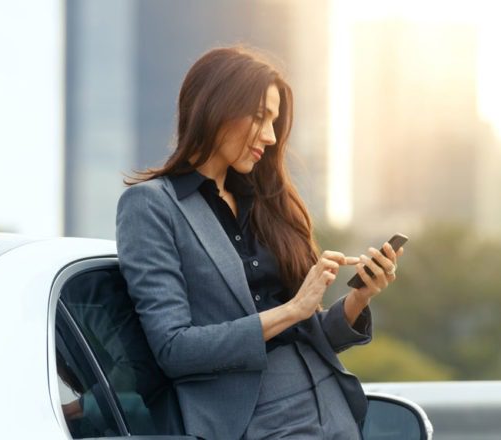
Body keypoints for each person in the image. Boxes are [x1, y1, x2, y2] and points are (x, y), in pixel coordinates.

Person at [115, 46, 403, 440]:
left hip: (332, 410)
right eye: (259, 117)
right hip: (253, 422)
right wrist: (293, 309)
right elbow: (174, 349)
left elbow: (304, 335)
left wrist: (358, 299)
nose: (269, 137)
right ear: (216, 108)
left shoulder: (266, 201)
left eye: (274, 121)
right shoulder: (152, 205)